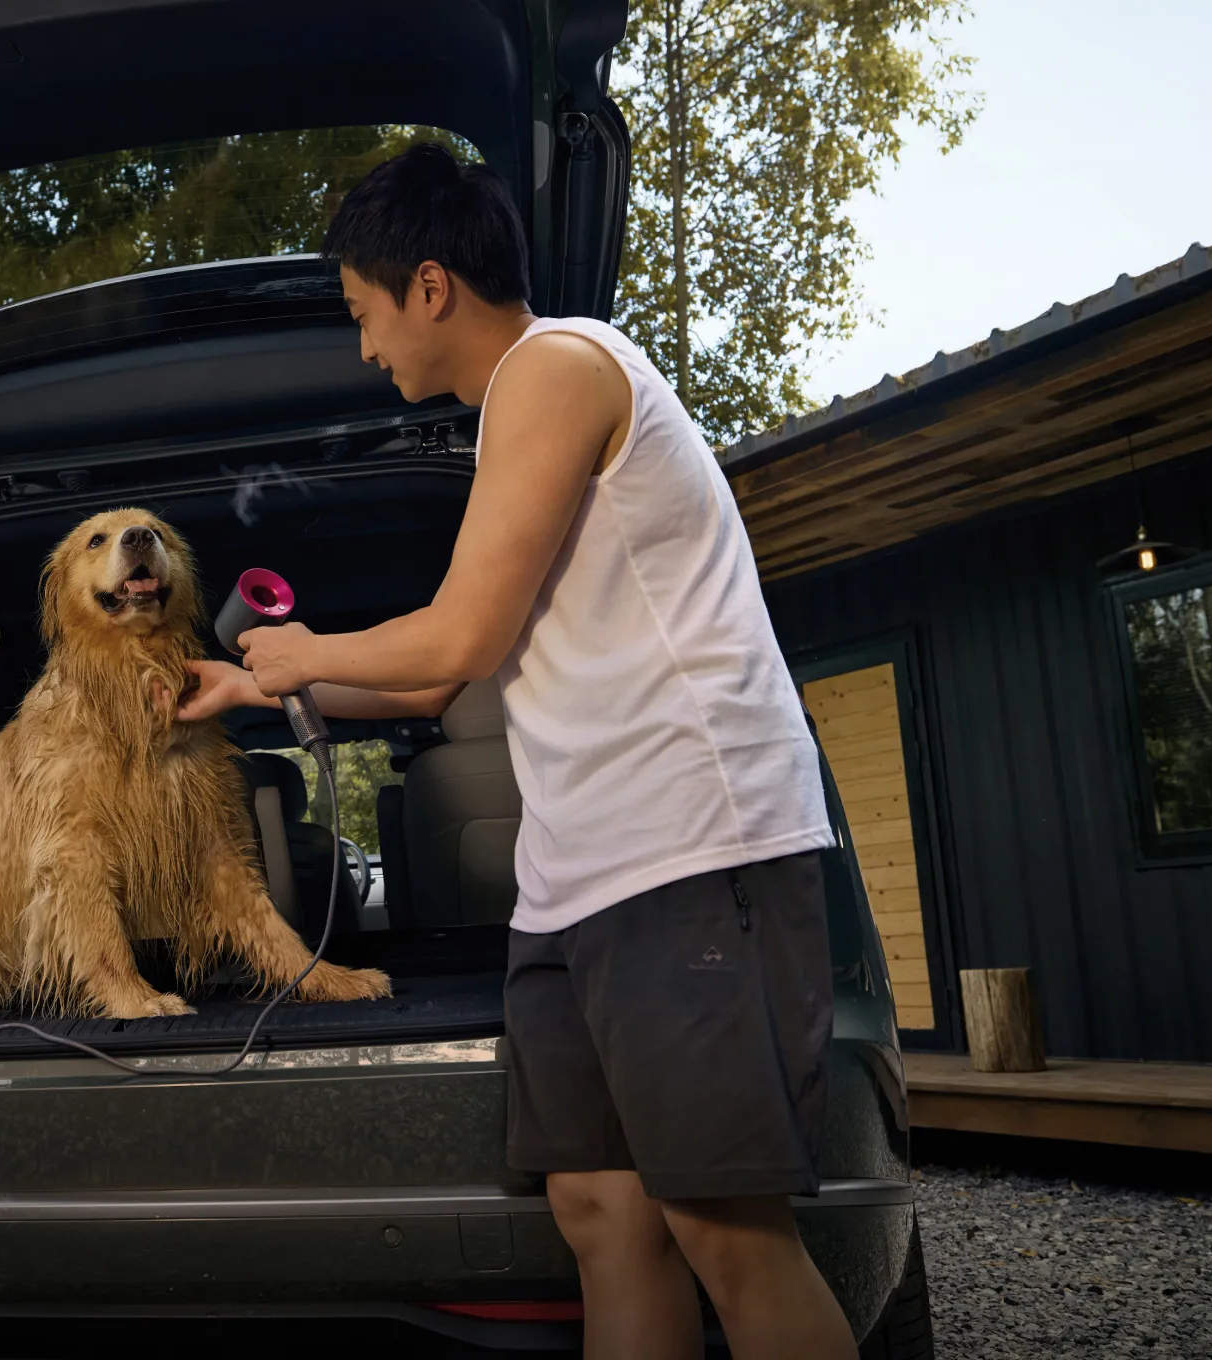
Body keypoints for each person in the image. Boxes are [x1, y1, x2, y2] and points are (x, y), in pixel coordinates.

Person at [174, 142, 855, 1360]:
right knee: (601, 1210)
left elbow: (462, 628)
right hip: (578, 878)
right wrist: (253, 683)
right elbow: (443, 673)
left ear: (429, 285)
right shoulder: (512, 416)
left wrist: (303, 646)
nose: (366, 348)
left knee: (724, 1230)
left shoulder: (559, 366)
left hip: (692, 850)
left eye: (363, 313)